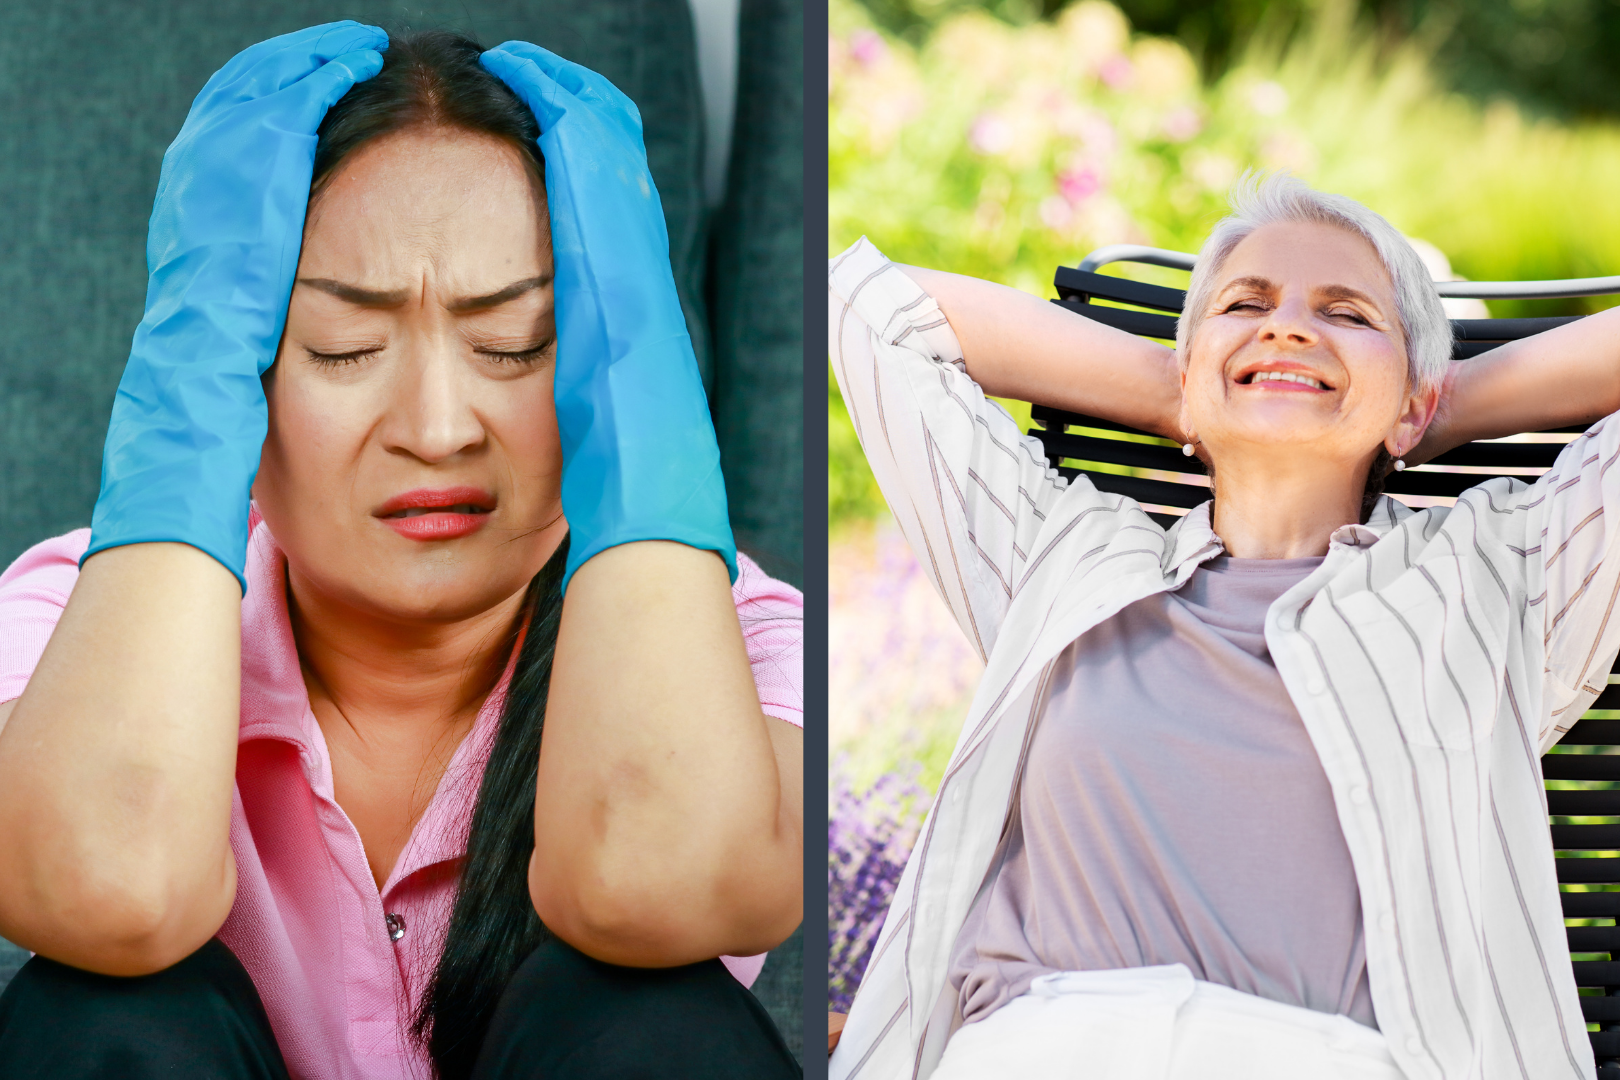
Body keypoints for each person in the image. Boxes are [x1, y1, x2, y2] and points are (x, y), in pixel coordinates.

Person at [0, 23, 803, 1080]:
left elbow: (650, 890)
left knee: (649, 1013)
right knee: (100, 1014)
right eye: (346, 349)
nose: (438, 427)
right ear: (238, 371)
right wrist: (180, 426)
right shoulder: (71, 614)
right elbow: (113, 891)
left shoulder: (739, 641)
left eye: (514, 345)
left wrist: (648, 423)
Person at [827, 171, 1620, 1080]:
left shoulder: (1504, 579)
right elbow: (864, 309)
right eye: (1247, 304)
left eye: (1348, 313)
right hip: (1045, 1050)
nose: (1287, 325)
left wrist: (1442, 403)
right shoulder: (1062, 560)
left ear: (1413, 399)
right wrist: (1187, 392)